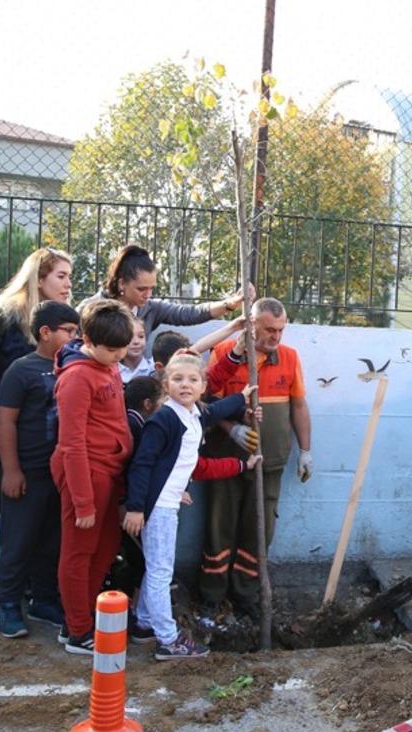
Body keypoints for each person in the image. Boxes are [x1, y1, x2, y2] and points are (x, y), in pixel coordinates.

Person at [123, 354, 260, 659]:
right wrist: (135, 508)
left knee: (156, 568)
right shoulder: (165, 419)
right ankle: (169, 640)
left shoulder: (191, 415)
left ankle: (145, 623)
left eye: (192, 380)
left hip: (169, 503)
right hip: (157, 508)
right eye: (177, 379)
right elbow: (142, 463)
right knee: (160, 571)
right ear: (165, 383)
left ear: (203, 387)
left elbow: (197, 459)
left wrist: (241, 398)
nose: (185, 385)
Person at [0, 247, 73, 612]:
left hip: (42, 442)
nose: (67, 284)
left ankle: (37, 593)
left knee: (42, 525)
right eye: (61, 276)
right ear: (39, 276)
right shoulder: (5, 313)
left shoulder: (61, 329)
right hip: (2, 427)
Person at [200, 298, 311, 617]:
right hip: (225, 459)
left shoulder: (289, 358)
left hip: (269, 461)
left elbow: (299, 406)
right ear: (251, 325)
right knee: (219, 526)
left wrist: (306, 450)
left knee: (258, 529)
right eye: (269, 330)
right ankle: (211, 594)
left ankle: (246, 593)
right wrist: (231, 428)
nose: (276, 337)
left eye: (281, 330)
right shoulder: (226, 354)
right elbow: (206, 403)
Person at [51, 299, 135, 654]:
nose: (119, 356)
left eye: (123, 349)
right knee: (78, 551)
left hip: (110, 472)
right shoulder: (76, 378)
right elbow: (71, 443)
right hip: (86, 473)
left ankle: (81, 618)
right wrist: (83, 500)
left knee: (104, 550)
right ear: (88, 339)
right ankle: (78, 630)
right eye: (111, 350)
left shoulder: (109, 367)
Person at [0, 301, 80, 639]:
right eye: (68, 332)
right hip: (28, 471)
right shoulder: (21, 370)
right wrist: (10, 470)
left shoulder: (72, 367)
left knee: (52, 540)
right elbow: (6, 421)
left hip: (59, 473)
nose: (75, 338)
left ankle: (43, 600)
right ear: (45, 332)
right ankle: (8, 605)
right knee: (19, 539)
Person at [81, 244, 247, 357]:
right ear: (121, 283)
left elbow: (189, 314)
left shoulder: (150, 309)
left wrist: (230, 304)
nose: (148, 294)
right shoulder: (91, 309)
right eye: (141, 289)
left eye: (152, 288)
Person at [119, 318, 154, 383]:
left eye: (141, 336)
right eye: (129, 337)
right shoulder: (113, 371)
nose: (136, 342)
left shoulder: (153, 369)